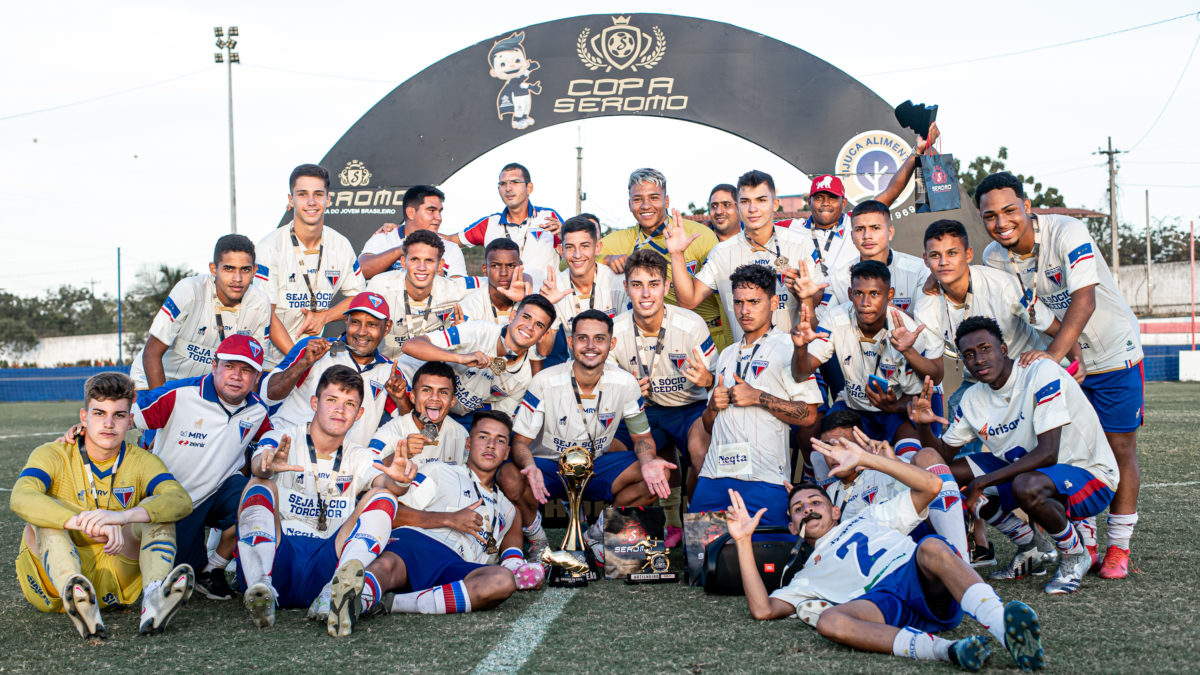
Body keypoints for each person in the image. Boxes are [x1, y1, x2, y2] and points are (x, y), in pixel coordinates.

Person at [727, 436, 1045, 672]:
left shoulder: (868, 516)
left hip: (914, 576)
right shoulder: (806, 574)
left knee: (933, 546)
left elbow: (932, 486)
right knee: (829, 621)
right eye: (798, 509)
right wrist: (743, 541)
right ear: (792, 524)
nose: (808, 509)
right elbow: (763, 609)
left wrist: (869, 459)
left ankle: (1003, 629)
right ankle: (949, 651)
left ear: (835, 510)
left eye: (814, 502)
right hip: (880, 603)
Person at [976, 172, 1143, 579]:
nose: (1001, 223)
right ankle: (1083, 543)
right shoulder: (993, 257)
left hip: (1111, 352)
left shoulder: (1068, 231)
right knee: (1070, 455)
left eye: (1009, 211)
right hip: (1063, 359)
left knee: (1119, 450)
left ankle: (1118, 549)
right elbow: (1026, 314)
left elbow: (1083, 301)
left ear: (1027, 207)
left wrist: (1052, 357)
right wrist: (1060, 357)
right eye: (990, 216)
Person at [910, 316, 1120, 595]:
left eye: (985, 348)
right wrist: (924, 425)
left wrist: (982, 482)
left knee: (1025, 485)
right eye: (969, 355)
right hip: (1031, 473)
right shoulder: (972, 398)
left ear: (1004, 349)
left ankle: (1074, 552)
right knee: (948, 478)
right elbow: (941, 459)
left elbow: (1048, 453)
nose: (979, 359)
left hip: (1089, 475)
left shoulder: (1040, 372)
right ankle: (1033, 547)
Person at [13, 372, 195, 639]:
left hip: (117, 568)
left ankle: (155, 595)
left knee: (157, 509)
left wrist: (120, 517)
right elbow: (21, 496)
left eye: (119, 415)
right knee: (42, 516)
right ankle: (74, 590)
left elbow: (180, 500)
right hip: (51, 579)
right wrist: (85, 521)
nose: (109, 424)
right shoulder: (52, 453)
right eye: (99, 414)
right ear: (84, 418)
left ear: (130, 421)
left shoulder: (142, 461)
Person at [236, 366, 415, 635]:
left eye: (350, 404)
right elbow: (259, 464)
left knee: (384, 496)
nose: (340, 410)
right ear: (315, 403)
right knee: (259, 485)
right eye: (332, 400)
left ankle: (333, 593)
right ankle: (260, 587)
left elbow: (385, 482)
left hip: (327, 562)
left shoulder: (359, 455)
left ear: (359, 414)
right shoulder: (283, 437)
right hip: (277, 558)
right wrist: (266, 465)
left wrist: (399, 480)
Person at [341, 411, 543, 627]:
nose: (491, 445)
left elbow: (512, 557)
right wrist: (448, 519)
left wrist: (522, 570)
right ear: (468, 444)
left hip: (458, 566)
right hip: (421, 546)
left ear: (507, 453)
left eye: (500, 440)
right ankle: (348, 600)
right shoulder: (438, 471)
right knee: (389, 564)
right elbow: (391, 514)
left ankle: (391, 603)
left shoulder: (509, 509)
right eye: (483, 436)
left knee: (502, 581)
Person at [502, 309, 674, 562]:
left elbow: (642, 438)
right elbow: (520, 442)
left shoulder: (625, 383)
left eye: (599, 339)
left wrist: (649, 462)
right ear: (570, 342)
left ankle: (596, 533)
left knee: (658, 472)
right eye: (582, 338)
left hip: (595, 466)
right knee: (509, 474)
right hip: (550, 466)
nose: (591, 346)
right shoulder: (545, 381)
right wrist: (530, 466)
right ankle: (537, 540)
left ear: (611, 343)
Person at [132, 334, 273, 601]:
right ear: (214, 365)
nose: (236, 376)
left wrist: (271, 453)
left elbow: (271, 439)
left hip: (216, 496)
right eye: (230, 366)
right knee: (179, 575)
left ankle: (214, 568)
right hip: (171, 502)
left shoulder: (257, 411)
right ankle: (195, 566)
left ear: (256, 378)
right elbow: (126, 415)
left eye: (246, 370)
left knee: (257, 494)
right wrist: (84, 431)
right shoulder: (179, 394)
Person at [689, 265, 821, 528]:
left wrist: (758, 397)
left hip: (764, 479)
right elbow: (708, 424)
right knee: (701, 562)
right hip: (715, 475)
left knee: (767, 561)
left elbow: (809, 415)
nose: (744, 310)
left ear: (773, 302)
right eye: (738, 302)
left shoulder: (789, 347)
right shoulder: (727, 354)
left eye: (753, 302)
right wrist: (713, 407)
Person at [609, 248, 718, 543]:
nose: (646, 294)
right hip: (641, 412)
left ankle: (698, 534)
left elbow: (718, 382)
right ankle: (639, 534)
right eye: (637, 284)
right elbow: (605, 392)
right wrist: (624, 390)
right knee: (613, 454)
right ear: (626, 288)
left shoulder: (690, 324)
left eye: (654, 284)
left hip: (687, 408)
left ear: (666, 287)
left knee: (702, 453)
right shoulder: (615, 330)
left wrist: (707, 380)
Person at [791, 260, 942, 444]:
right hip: (852, 407)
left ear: (890, 295)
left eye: (875, 294)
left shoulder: (905, 328)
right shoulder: (836, 318)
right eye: (858, 293)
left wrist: (894, 406)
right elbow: (800, 375)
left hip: (895, 411)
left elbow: (924, 388)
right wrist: (800, 348)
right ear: (850, 294)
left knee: (910, 457)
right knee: (825, 447)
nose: (865, 303)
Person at [671, 170, 821, 342]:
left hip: (792, 360)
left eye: (761, 200)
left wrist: (803, 294)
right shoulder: (722, 252)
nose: (753, 209)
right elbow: (688, 301)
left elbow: (816, 301)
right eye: (745, 201)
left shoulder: (800, 244)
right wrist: (676, 254)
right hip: (744, 364)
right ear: (738, 205)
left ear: (775, 204)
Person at [599, 167, 731, 350]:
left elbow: (725, 296)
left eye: (654, 198)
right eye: (638, 199)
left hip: (711, 335)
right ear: (629, 204)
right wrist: (607, 259)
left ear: (666, 200)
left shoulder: (699, 235)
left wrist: (732, 348)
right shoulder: (625, 239)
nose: (646, 206)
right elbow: (571, 261)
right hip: (660, 339)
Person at [261, 291, 408, 448]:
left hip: (344, 464)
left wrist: (401, 399)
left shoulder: (389, 371)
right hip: (289, 447)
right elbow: (268, 394)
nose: (362, 332)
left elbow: (408, 424)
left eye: (371, 325)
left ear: (387, 328)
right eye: (356, 322)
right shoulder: (316, 348)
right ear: (346, 321)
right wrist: (303, 364)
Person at [817, 409, 968, 559]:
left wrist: (891, 463)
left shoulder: (885, 468)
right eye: (828, 447)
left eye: (844, 445)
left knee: (927, 456)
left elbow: (932, 488)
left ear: (860, 446)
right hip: (868, 560)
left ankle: (961, 561)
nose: (835, 454)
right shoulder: (829, 493)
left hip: (915, 546)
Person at [255, 163, 365, 368]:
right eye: (303, 194)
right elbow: (265, 313)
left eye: (318, 194)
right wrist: (298, 360)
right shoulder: (270, 246)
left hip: (313, 360)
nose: (311, 202)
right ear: (291, 200)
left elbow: (359, 299)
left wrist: (324, 317)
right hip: (270, 363)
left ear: (328, 199)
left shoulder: (340, 245)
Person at [130, 234, 272, 390]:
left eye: (245, 270)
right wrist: (160, 405)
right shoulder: (189, 291)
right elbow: (151, 353)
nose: (237, 278)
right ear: (213, 269)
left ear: (254, 271)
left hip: (202, 389)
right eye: (228, 269)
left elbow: (254, 365)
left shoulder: (260, 303)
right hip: (156, 382)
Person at [397, 294, 555, 423]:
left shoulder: (524, 377)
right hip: (405, 388)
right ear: (512, 316)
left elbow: (499, 419)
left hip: (453, 415)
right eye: (526, 317)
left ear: (544, 336)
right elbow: (410, 346)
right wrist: (460, 358)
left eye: (539, 325)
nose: (529, 326)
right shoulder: (479, 330)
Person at [446, 162, 562, 289]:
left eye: (515, 182)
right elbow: (450, 241)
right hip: (501, 304)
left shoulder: (548, 217)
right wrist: (423, 229)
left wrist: (563, 235)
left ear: (529, 187)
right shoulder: (490, 223)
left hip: (542, 302)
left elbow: (576, 246)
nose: (508, 188)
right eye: (503, 184)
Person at [539, 215, 630, 368]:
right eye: (569, 247)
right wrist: (547, 308)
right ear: (561, 250)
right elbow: (543, 350)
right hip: (577, 372)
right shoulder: (555, 286)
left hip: (617, 371)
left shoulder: (618, 281)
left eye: (585, 246)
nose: (577, 255)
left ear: (598, 247)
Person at [366, 230, 472, 359]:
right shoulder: (381, 285)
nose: (421, 267)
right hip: (385, 369)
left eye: (429, 260)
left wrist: (462, 331)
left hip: (430, 371)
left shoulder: (453, 288)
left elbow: (491, 283)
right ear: (404, 262)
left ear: (440, 264)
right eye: (415, 259)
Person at [776, 175, 859, 317]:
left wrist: (911, 160)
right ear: (810, 201)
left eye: (832, 198)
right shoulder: (790, 227)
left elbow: (888, 195)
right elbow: (756, 228)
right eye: (819, 197)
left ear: (844, 203)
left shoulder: (854, 221)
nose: (825, 203)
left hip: (850, 316)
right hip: (810, 318)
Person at [828, 200, 930, 314]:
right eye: (860, 229)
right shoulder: (839, 278)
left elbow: (925, 326)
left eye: (875, 228)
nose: (867, 236)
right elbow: (825, 324)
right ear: (852, 236)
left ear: (890, 232)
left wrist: (886, 308)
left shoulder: (919, 270)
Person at [369, 361, 468, 469]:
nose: (434, 397)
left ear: (452, 401)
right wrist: (400, 454)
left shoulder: (460, 433)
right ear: (413, 396)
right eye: (426, 390)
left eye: (443, 392)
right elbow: (367, 472)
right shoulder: (392, 431)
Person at [357, 185, 468, 280]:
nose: (438, 217)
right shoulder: (384, 238)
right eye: (431, 210)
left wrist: (441, 280)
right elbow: (361, 271)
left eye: (439, 211)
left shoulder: (451, 249)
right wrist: (401, 250)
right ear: (410, 212)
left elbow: (460, 291)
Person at [458, 238, 529, 326]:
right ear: (485, 269)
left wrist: (526, 302)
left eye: (511, 266)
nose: (503, 273)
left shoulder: (530, 302)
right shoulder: (471, 305)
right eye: (495, 266)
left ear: (519, 268)